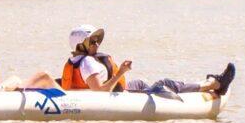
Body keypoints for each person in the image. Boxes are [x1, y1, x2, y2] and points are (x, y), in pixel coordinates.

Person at [59, 22, 235, 102]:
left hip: (117, 91)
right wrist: (121, 73)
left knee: (141, 83)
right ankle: (216, 83)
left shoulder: (75, 60)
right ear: (81, 44)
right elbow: (100, 92)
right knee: (165, 84)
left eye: (97, 40)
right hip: (114, 97)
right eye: (92, 41)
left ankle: (211, 82)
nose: (97, 44)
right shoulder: (87, 63)